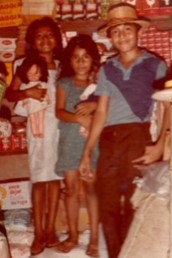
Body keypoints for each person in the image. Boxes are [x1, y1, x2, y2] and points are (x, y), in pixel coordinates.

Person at [78, 3, 168, 258]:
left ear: (138, 32)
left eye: (127, 29)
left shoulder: (155, 65)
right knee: (107, 203)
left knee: (133, 202)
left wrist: (160, 144)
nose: (122, 36)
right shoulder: (107, 69)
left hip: (138, 138)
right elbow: (102, 112)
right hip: (109, 140)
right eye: (116, 31)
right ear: (110, 36)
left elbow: (166, 109)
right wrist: (87, 153)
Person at [6, 17, 63, 255]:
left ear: (57, 39)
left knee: (55, 179)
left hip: (61, 127)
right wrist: (27, 91)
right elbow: (10, 94)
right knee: (39, 179)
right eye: (39, 35)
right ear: (31, 41)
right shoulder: (24, 63)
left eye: (50, 34)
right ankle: (38, 232)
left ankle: (51, 230)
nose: (45, 40)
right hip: (38, 129)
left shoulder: (63, 65)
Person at [55, 34, 100, 257]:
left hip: (92, 145)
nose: (81, 62)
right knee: (71, 190)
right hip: (69, 144)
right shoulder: (63, 83)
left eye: (86, 57)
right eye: (75, 57)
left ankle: (93, 240)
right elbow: (59, 111)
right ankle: (73, 235)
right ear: (68, 61)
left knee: (92, 189)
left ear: (93, 60)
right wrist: (78, 118)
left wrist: (93, 107)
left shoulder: (99, 86)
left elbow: (104, 112)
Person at [14, 55, 50, 138]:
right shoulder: (25, 85)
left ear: (41, 73)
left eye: (36, 73)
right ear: (25, 74)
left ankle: (40, 131)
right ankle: (35, 133)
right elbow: (23, 94)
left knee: (41, 118)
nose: (33, 76)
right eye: (30, 74)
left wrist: (47, 99)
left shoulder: (42, 83)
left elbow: (45, 92)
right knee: (32, 119)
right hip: (31, 105)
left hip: (40, 104)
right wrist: (24, 100)